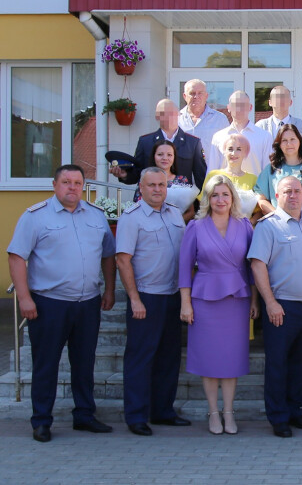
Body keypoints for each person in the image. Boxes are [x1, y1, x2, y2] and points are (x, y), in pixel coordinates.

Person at [7, 164, 116, 443]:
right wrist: (24, 298)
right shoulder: (35, 216)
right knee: (46, 364)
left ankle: (84, 415)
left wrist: (109, 290)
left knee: (84, 363)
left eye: (77, 183)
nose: (72, 187)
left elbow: (108, 255)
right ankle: (42, 421)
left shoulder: (96, 215)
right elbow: (17, 257)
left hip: (87, 303)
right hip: (49, 304)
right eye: (66, 182)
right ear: (55, 185)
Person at [249, 176, 302, 438]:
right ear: (277, 196)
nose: (293, 196)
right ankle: (278, 416)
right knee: (278, 364)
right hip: (282, 306)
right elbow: (257, 265)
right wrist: (270, 302)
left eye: (297, 191)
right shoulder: (268, 226)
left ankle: (295, 410)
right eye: (287, 191)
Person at [179, 174, 259, 435]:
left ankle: (229, 412)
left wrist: (255, 300)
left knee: (231, 359)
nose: (220, 199)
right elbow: (184, 268)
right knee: (209, 358)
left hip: (237, 300)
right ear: (207, 199)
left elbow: (252, 267)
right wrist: (186, 304)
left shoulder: (244, 225)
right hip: (205, 301)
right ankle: (213, 412)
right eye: (215, 195)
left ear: (232, 198)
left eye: (225, 194)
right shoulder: (195, 227)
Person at [116, 167, 188, 436]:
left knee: (169, 358)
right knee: (140, 358)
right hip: (146, 297)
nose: (158, 189)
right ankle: (136, 416)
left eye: (161, 185)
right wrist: (134, 299)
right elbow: (123, 260)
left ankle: (163, 411)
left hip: (172, 296)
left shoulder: (175, 213)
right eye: (152, 185)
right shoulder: (131, 217)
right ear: (141, 188)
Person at [111, 98, 206, 187]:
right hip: (152, 195)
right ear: (157, 117)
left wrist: (202, 198)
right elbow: (137, 174)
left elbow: (200, 176)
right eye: (163, 113)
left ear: (179, 115)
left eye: (172, 113)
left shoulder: (193, 143)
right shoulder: (145, 142)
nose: (168, 117)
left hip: (181, 197)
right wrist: (125, 175)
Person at [254, 124, 302, 221]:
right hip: (279, 225)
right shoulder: (271, 169)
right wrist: (279, 216)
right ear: (279, 144)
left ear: (299, 141)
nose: (289, 144)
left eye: (292, 139)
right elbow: (261, 198)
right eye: (284, 140)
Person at [207, 90, 273, 176]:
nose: (239, 109)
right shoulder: (218, 137)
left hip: (254, 184)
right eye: (235, 105)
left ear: (250, 107)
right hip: (225, 184)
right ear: (228, 108)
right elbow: (212, 171)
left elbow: (268, 172)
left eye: (243, 105)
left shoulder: (264, 136)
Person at [132, 140, 195, 222]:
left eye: (169, 155)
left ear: (174, 157)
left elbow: (191, 212)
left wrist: (174, 223)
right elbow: (137, 207)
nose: (165, 158)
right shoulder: (145, 179)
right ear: (154, 156)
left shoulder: (181, 180)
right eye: (160, 154)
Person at [200, 135, 260, 220]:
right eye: (230, 149)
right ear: (224, 151)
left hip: (243, 226)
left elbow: (259, 210)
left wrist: (249, 224)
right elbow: (203, 203)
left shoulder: (253, 179)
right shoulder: (213, 175)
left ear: (245, 153)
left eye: (239, 149)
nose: (233, 153)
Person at [178, 80, 230, 160]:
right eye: (192, 93)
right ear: (185, 96)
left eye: (200, 93)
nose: (196, 97)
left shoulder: (220, 119)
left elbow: (229, 147)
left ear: (206, 96)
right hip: (183, 168)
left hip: (211, 168)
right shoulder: (176, 119)